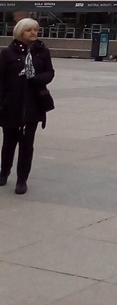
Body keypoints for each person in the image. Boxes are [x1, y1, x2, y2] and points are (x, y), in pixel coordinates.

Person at [0, 18, 55, 194]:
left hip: (33, 105)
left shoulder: (42, 52)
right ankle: (4, 172)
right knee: (9, 142)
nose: (33, 33)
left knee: (26, 144)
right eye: (29, 30)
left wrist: (38, 79)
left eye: (35, 30)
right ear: (20, 32)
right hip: (11, 105)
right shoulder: (8, 53)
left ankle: (22, 180)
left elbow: (50, 72)